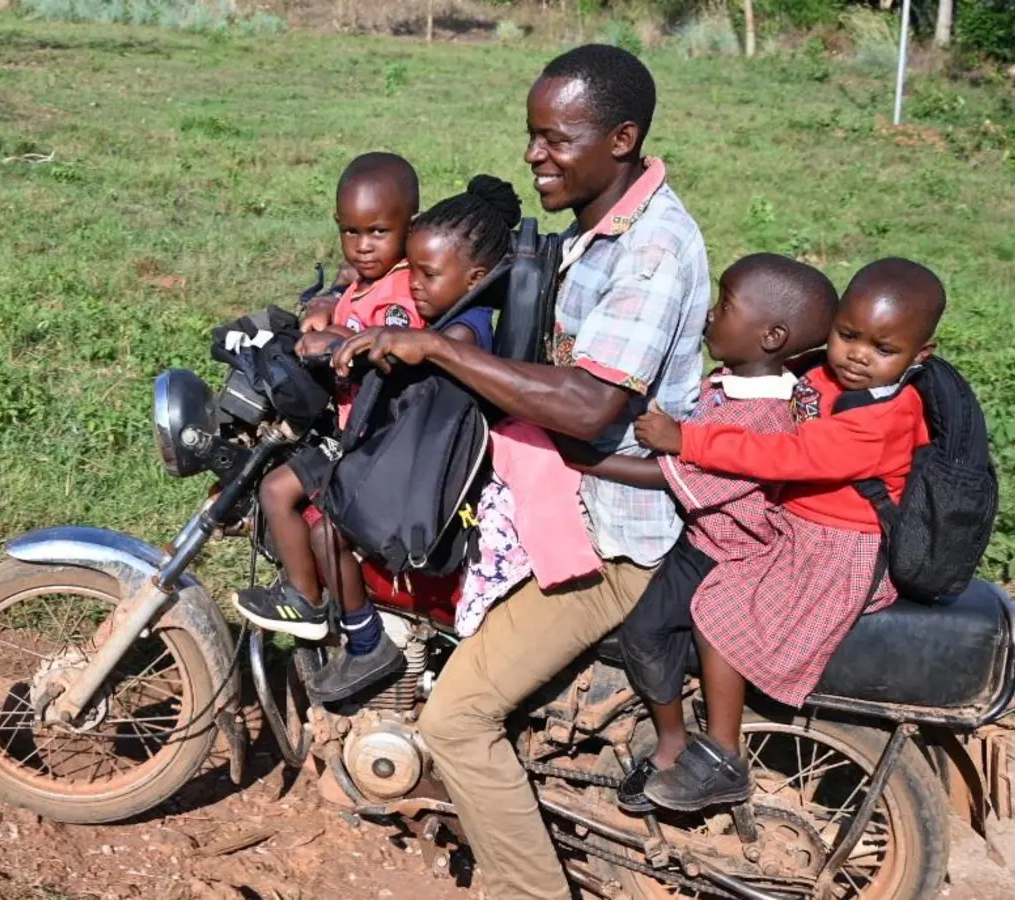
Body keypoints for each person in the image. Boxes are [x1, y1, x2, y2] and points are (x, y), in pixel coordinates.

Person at [334, 45, 708, 899]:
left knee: (458, 720)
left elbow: (586, 405)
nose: (535, 155)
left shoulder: (651, 250)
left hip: (609, 538)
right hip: (556, 502)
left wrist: (433, 346)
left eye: (555, 138)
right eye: (531, 136)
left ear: (622, 138)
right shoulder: (596, 226)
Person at [629, 257, 944, 812]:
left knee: (723, 613)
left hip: (834, 551)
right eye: (847, 336)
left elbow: (787, 455)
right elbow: (796, 368)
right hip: (797, 531)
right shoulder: (834, 375)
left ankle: (723, 757)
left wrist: (686, 441)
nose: (857, 356)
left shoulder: (882, 419)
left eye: (882, 350)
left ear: (919, 357)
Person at [560, 253, 838, 815]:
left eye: (725, 305)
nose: (711, 314)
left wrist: (584, 459)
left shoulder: (763, 418)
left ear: (771, 335)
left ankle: (678, 746)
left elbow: (675, 474)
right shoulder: (739, 383)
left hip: (724, 551)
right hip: (712, 537)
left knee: (645, 633)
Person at [236, 173, 523, 704]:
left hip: (400, 458)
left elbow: (406, 350)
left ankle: (362, 640)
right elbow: (366, 275)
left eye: (425, 274)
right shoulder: (450, 303)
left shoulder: (462, 329)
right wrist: (327, 299)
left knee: (320, 523)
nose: (412, 283)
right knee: (294, 502)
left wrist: (346, 341)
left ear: (475, 276)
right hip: (387, 443)